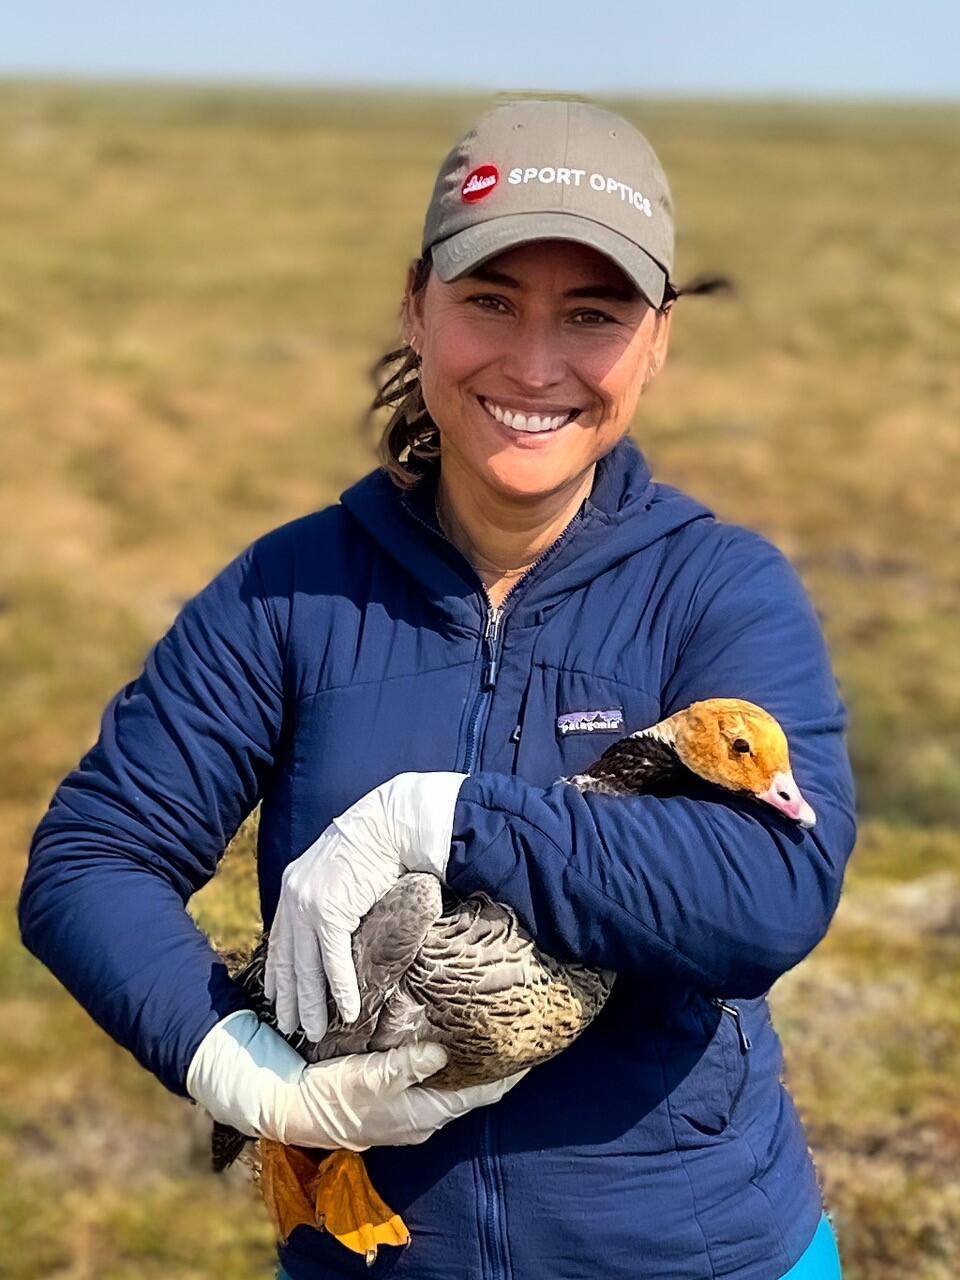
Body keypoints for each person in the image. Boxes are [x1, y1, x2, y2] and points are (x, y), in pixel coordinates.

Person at [18, 97, 853, 1279]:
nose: (534, 363)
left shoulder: (720, 591)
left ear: (657, 338)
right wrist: (230, 1062)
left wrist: (448, 820)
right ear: (416, 305)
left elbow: (770, 893)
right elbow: (91, 857)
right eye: (490, 302)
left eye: (593, 314)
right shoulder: (291, 590)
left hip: (708, 1255)